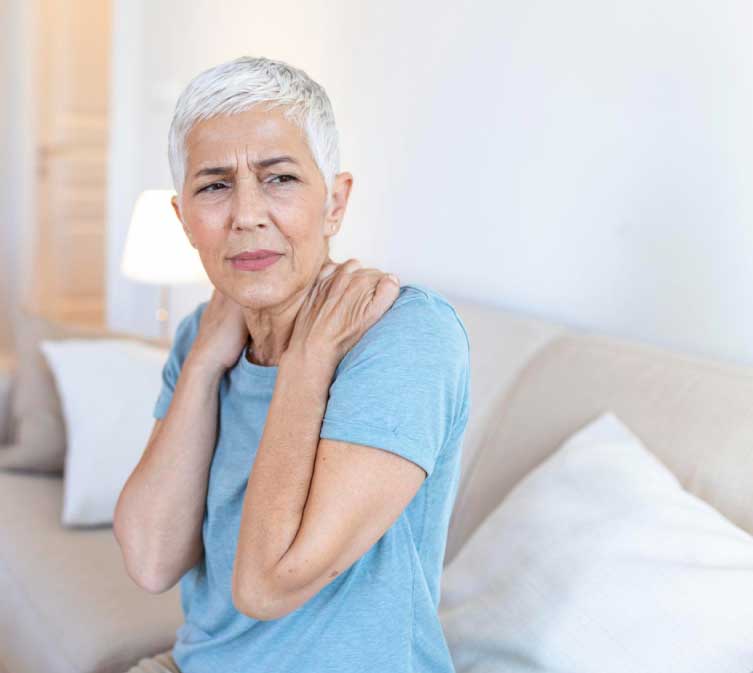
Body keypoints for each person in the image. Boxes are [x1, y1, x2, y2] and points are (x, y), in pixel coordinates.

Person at [114, 55, 471, 673]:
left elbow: (267, 585)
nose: (247, 213)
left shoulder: (407, 335)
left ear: (335, 203)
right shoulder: (205, 336)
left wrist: (307, 361)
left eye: (279, 179)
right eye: (214, 185)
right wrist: (201, 365)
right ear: (185, 222)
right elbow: (150, 558)